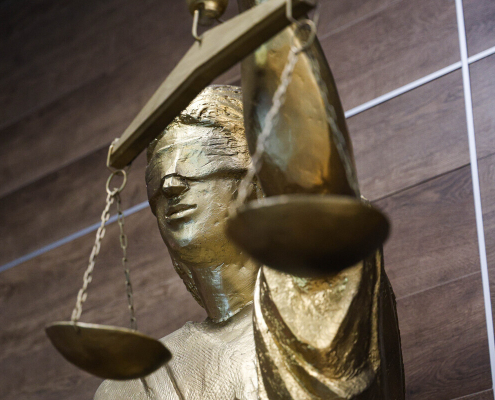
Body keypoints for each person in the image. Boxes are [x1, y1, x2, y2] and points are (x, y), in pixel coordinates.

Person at [93, 85, 405, 399]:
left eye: (195, 161)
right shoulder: (134, 387)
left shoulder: (327, 301)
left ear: (256, 181)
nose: (171, 185)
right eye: (157, 180)